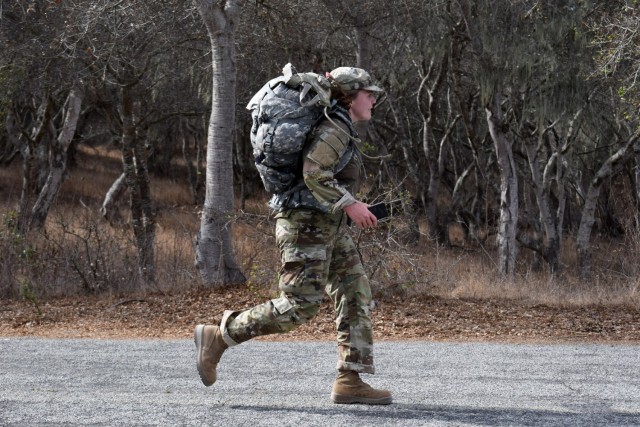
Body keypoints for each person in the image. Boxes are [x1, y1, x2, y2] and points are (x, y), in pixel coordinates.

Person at [194, 67, 392, 405]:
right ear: (349, 94)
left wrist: (348, 206)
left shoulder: (337, 124)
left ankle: (350, 379)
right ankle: (220, 335)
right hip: (305, 225)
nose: (373, 98)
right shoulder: (335, 127)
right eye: (367, 92)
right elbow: (314, 172)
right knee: (300, 305)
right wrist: (351, 205)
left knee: (354, 289)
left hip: (323, 223)